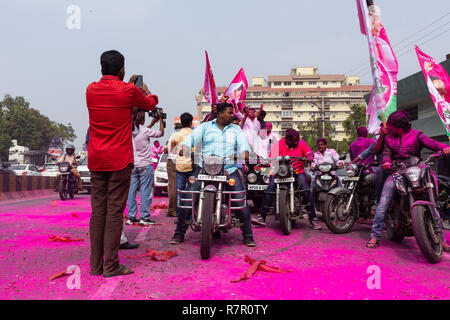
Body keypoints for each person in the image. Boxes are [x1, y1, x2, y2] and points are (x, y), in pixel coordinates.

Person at [86, 50, 158, 277]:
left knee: (98, 212)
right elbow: (149, 104)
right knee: (115, 212)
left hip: (97, 159)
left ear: (101, 68)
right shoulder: (129, 91)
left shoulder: (90, 90)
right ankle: (111, 266)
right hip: (119, 160)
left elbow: (116, 98)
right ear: (122, 69)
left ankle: (96, 266)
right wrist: (146, 91)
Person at [170, 102, 256, 247]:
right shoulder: (205, 127)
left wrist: (244, 153)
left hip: (229, 169)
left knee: (240, 201)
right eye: (229, 112)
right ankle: (179, 232)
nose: (232, 115)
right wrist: (184, 147)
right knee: (189, 195)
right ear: (220, 114)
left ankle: (248, 234)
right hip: (205, 167)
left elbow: (244, 146)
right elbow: (190, 140)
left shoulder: (235, 129)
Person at [366, 111, 450, 250]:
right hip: (397, 172)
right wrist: (386, 162)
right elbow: (386, 154)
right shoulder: (389, 139)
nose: (388, 128)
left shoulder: (417, 135)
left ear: (398, 126)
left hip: (418, 169)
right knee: (383, 203)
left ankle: (442, 240)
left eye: (390, 126)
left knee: (433, 204)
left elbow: (433, 144)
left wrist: (445, 147)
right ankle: (375, 236)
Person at [256, 129, 321, 230]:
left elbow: (309, 152)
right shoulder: (278, 144)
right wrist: (269, 161)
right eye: (294, 141)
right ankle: (262, 217)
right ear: (287, 140)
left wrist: (309, 156)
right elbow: (271, 157)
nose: (296, 143)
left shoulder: (302, 143)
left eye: (297, 141)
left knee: (305, 190)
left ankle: (312, 218)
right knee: (269, 190)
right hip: (279, 171)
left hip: (297, 171)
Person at [126, 111, 164, 226]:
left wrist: (153, 122)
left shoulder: (130, 131)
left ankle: (131, 217)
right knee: (145, 192)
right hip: (145, 165)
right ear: (143, 120)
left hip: (133, 165)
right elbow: (161, 133)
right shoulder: (145, 131)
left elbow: (141, 129)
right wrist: (161, 120)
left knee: (131, 192)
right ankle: (144, 217)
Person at [353, 123, 389, 202]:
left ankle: (377, 199)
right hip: (375, 169)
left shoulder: (393, 140)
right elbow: (366, 152)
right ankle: (376, 200)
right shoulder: (376, 142)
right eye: (381, 130)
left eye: (382, 129)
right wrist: (353, 162)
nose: (380, 131)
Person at [171, 113, 194, 219]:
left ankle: (180, 216)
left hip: (180, 166)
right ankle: (190, 216)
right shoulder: (194, 134)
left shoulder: (176, 135)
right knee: (192, 192)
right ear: (191, 122)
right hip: (192, 166)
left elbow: (172, 149)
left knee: (180, 191)